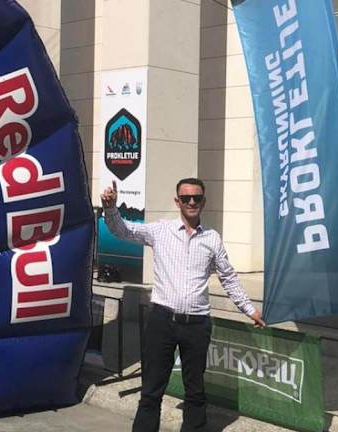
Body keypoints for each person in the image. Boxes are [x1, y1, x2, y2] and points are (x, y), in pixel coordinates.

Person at [100, 177, 265, 432]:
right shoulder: (161, 231)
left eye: (196, 198)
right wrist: (110, 208)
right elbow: (124, 230)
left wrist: (249, 309)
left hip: (197, 325)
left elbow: (229, 277)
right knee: (151, 391)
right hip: (162, 322)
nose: (191, 202)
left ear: (203, 202)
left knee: (195, 392)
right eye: (186, 198)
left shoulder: (212, 239)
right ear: (177, 202)